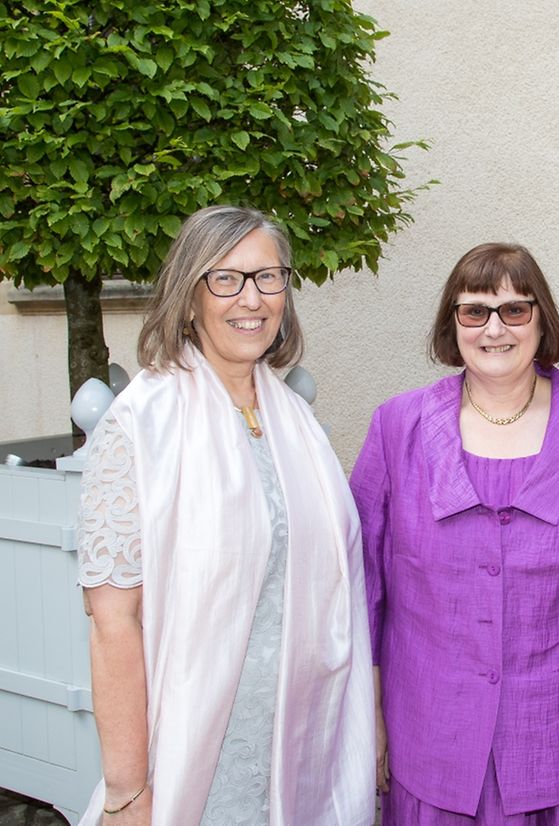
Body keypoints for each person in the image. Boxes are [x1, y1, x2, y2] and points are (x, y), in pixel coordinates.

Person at [351, 242, 559, 824]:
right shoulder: (397, 426)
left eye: (514, 310)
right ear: (453, 325)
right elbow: (363, 587)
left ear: (541, 318)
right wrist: (368, 711)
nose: (493, 329)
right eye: (474, 311)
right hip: (431, 729)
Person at [76, 206, 375, 824]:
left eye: (268, 278)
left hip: (301, 752)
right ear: (189, 297)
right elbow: (114, 622)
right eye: (226, 278)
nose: (253, 298)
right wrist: (127, 790)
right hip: (191, 763)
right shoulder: (141, 426)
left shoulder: (296, 422)